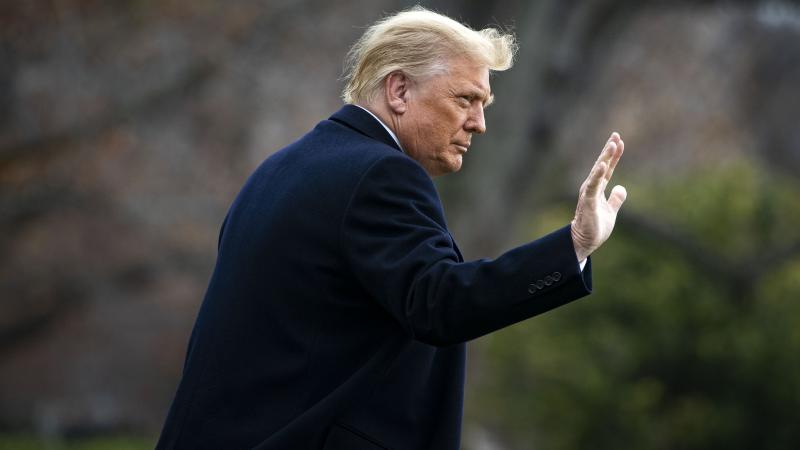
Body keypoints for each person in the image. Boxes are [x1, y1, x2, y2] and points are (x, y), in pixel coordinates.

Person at [156, 6, 627, 450]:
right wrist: (574, 245)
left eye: (484, 103)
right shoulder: (380, 174)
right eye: (466, 99)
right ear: (399, 91)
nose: (479, 123)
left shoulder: (280, 169)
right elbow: (440, 303)